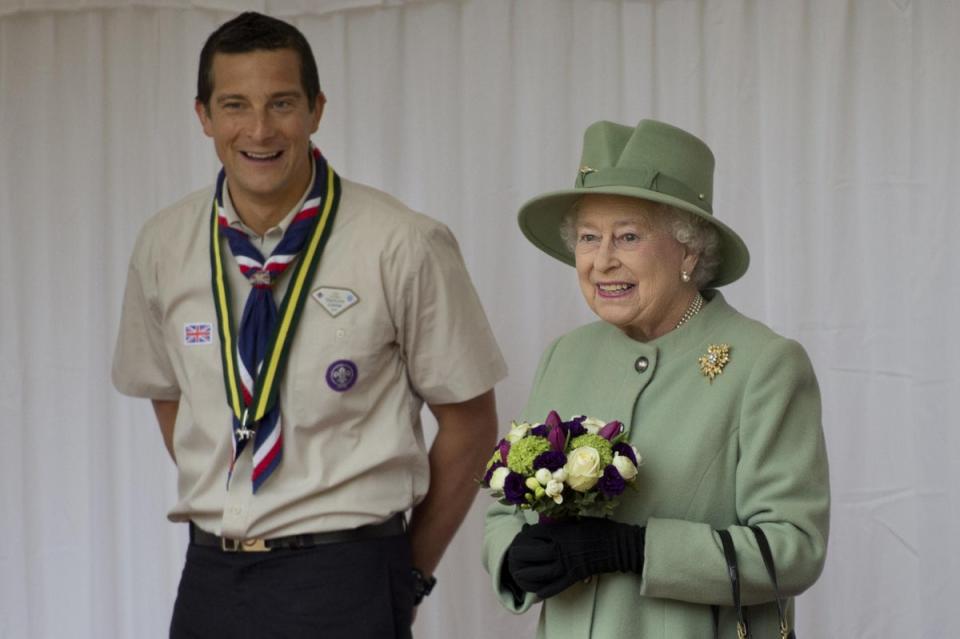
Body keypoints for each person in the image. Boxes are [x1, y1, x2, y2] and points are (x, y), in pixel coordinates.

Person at [112, 11, 506, 638]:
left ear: (317, 109)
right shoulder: (164, 244)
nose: (260, 129)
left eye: (283, 103)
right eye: (235, 105)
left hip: (346, 577)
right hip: (211, 576)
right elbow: (169, 394)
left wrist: (405, 575)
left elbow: (470, 421)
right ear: (204, 116)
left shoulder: (402, 243)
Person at [482, 119, 829, 638]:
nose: (602, 261)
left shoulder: (765, 364)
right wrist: (513, 555)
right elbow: (503, 511)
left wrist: (637, 550)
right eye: (587, 237)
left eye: (628, 236)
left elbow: (795, 549)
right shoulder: (565, 355)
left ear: (689, 251)